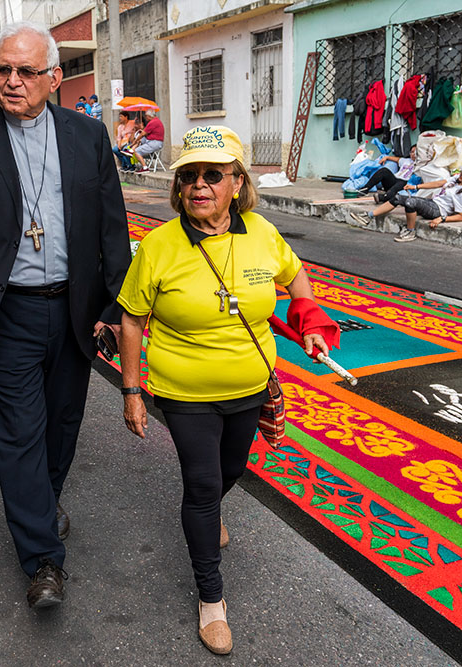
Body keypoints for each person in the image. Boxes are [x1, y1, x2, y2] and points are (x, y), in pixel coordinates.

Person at [0, 21, 131, 609]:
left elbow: (113, 230)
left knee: (63, 425)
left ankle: (42, 500)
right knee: (18, 434)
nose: (11, 82)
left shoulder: (88, 137)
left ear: (54, 77)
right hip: (5, 313)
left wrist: (115, 307)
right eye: (2, 70)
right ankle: (42, 559)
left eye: (25, 71)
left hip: (74, 309)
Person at [117, 126, 336, 655]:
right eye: (189, 176)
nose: (199, 186)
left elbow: (297, 277)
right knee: (201, 482)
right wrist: (131, 389)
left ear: (237, 183)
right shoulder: (159, 246)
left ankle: (211, 510)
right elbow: (130, 320)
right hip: (182, 390)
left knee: (231, 470)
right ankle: (210, 598)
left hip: (250, 384)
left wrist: (307, 317)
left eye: (212, 175)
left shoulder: (261, 233)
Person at [355, 159, 462, 242]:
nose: (461, 174)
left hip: (438, 211)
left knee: (411, 203)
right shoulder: (456, 179)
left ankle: (411, 232)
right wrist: (416, 186)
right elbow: (438, 183)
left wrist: (442, 219)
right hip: (433, 203)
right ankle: (368, 216)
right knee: (398, 198)